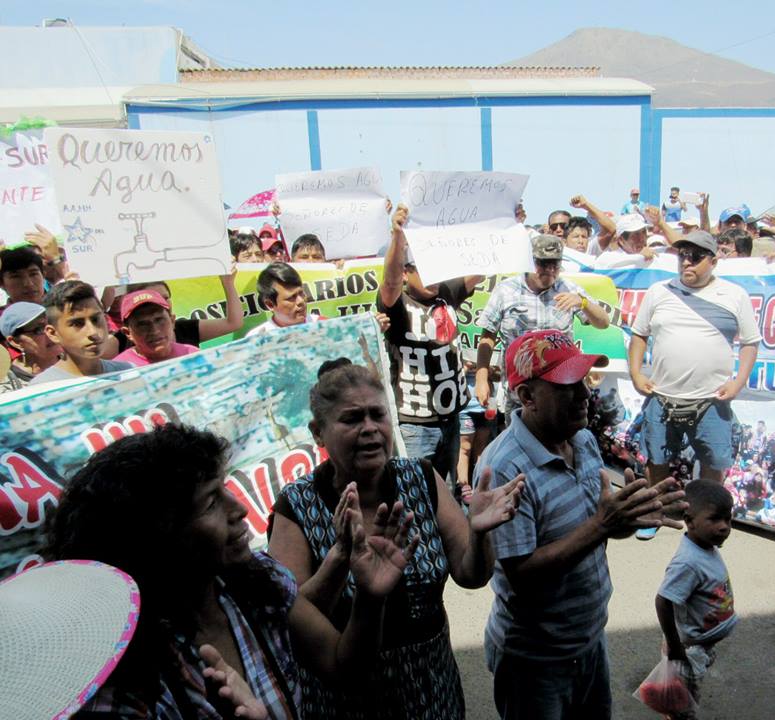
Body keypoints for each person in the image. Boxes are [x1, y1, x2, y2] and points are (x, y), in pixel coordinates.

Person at [49, 423, 417, 718]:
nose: (238, 509)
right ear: (157, 535)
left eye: (224, 488)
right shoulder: (128, 689)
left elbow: (341, 666)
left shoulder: (258, 582)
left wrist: (370, 598)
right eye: (211, 502)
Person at [268, 358, 525, 719]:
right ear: (318, 432)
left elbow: (471, 576)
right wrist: (340, 559)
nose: (370, 428)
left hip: (432, 690)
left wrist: (480, 534)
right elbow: (289, 621)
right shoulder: (296, 505)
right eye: (352, 419)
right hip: (346, 702)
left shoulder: (421, 477)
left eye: (378, 414)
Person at [475, 330, 685, 720]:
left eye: (584, 380)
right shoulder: (504, 468)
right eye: (567, 386)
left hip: (588, 640)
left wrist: (625, 517)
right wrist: (604, 525)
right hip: (534, 660)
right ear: (527, 397)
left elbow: (594, 529)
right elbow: (521, 574)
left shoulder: (583, 440)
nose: (585, 394)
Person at [629, 230, 761, 499]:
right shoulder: (659, 291)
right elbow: (639, 335)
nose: (687, 262)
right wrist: (635, 374)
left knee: (713, 465)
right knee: (656, 461)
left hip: (711, 401)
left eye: (696, 256)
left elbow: (750, 342)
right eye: (683, 255)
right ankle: (656, 511)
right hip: (662, 397)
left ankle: (704, 513)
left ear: (713, 261)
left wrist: (738, 383)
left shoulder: (734, 295)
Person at [376, 205, 484, 485]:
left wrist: (506, 228)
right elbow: (389, 281)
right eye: (425, 270)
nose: (434, 278)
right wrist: (398, 235)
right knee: (415, 494)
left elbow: (482, 269)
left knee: (446, 492)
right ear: (406, 273)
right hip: (415, 424)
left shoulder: (446, 293)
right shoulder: (396, 304)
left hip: (451, 418)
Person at [474, 234, 610, 417]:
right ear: (529, 262)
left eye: (555, 265)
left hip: (561, 392)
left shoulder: (569, 289)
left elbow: (603, 323)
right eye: (543, 264)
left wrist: (583, 303)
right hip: (520, 393)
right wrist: (481, 378)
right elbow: (487, 337)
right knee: (518, 434)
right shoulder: (505, 291)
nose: (550, 270)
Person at [654, 480, 737, 719]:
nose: (724, 527)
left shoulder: (706, 546)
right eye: (715, 519)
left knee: (682, 696)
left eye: (728, 519)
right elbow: (663, 601)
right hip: (687, 651)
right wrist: (675, 647)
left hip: (701, 645)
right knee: (683, 705)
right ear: (689, 521)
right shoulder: (688, 563)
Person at [30, 281, 133, 385]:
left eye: (96, 320)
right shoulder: (42, 388)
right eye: (77, 324)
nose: (92, 332)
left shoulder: (128, 373)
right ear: (53, 333)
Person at [114, 289, 199, 366]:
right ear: (128, 333)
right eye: (143, 325)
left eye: (159, 320)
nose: (155, 331)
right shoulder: (120, 369)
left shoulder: (192, 355)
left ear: (172, 321)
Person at [247, 262, 319, 337]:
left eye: (301, 293)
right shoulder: (257, 338)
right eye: (291, 298)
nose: (301, 301)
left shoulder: (321, 325)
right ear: (270, 304)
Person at [0, 302, 61, 390]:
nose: (51, 332)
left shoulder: (78, 360)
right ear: (15, 342)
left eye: (52, 323)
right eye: (39, 329)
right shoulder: (7, 386)